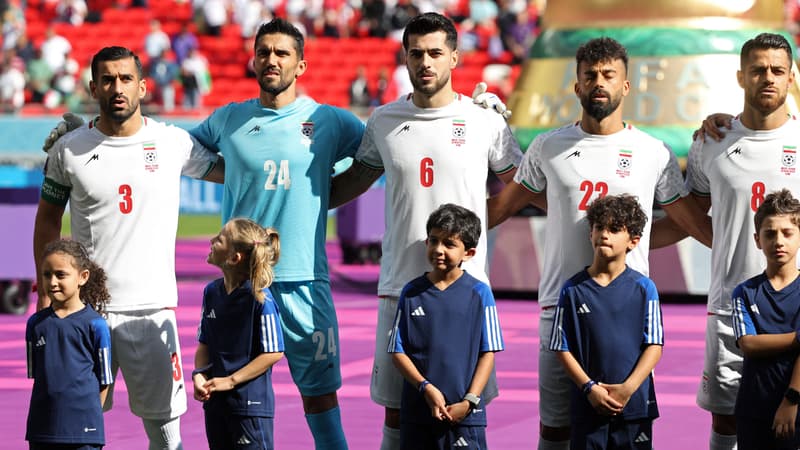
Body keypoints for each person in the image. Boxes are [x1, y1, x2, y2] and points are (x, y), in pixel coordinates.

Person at [486, 36, 712, 450]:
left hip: (627, 313)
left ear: (626, 86)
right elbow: (501, 208)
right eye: (590, 75)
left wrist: (638, 247)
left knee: (629, 430)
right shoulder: (548, 146)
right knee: (555, 430)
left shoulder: (652, 152)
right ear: (576, 86)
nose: (599, 82)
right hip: (560, 307)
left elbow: (687, 223)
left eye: (609, 75)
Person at [328, 12, 521, 450]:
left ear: (455, 57)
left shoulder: (484, 120)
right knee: (397, 411)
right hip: (400, 286)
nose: (426, 62)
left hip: (466, 290)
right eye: (416, 53)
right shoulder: (383, 121)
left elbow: (524, 185)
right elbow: (353, 182)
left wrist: (482, 222)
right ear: (405, 58)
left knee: (466, 405)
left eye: (436, 53)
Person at [32, 46, 223, 450]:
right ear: (93, 87)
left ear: (142, 86)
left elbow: (234, 170)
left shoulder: (172, 143)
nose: (116, 87)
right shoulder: (69, 150)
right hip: (84, 311)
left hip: (151, 309)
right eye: (107, 79)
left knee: (166, 435)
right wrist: (46, 291)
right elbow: (48, 218)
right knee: (73, 427)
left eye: (124, 79)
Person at [189, 19, 364, 449]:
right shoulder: (228, 119)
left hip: (304, 279)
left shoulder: (329, 121)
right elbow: (181, 152)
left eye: (282, 53)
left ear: (300, 64)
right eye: (264, 51)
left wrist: (325, 196)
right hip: (242, 287)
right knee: (232, 396)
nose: (271, 59)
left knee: (321, 399)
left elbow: (380, 153)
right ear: (253, 59)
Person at [653, 32, 800, 450]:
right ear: (740, 77)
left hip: (796, 305)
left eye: (777, 70)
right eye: (758, 70)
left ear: (791, 77)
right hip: (731, 304)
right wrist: (632, 240)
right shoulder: (711, 143)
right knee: (727, 421)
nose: (767, 78)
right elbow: (689, 218)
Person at [550, 194, 663, 449]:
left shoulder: (645, 289)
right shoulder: (572, 289)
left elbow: (654, 346)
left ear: (633, 241)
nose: (604, 234)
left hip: (635, 405)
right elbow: (560, 346)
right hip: (588, 405)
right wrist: (590, 388)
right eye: (599, 227)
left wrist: (628, 389)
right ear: (590, 233)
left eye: (614, 229)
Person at [388, 203, 504, 449]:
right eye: (433, 240)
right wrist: (425, 388)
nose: (439, 249)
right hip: (418, 415)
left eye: (449, 244)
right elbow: (397, 351)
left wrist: (470, 401)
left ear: (469, 253)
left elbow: (488, 352)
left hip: (464, 416)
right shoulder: (411, 292)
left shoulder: (480, 293)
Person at [193, 218, 284, 450]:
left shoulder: (261, 299)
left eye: (220, 239)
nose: (212, 240)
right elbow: (204, 342)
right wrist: (199, 374)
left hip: (249, 407)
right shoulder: (211, 292)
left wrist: (231, 381)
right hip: (216, 404)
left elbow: (273, 352)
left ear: (234, 258)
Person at [26, 239, 112, 449]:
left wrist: (87, 418)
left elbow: (104, 380)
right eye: (47, 275)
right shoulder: (35, 324)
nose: (52, 282)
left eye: (60, 275)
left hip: (84, 434)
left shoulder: (96, 325)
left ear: (83, 277)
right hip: (42, 431)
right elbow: (38, 375)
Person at [732, 189, 800, 449]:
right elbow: (749, 344)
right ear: (757, 239)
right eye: (770, 233)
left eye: (787, 232)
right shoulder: (745, 292)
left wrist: (791, 399)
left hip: (795, 407)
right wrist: (798, 338)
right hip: (753, 409)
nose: (779, 241)